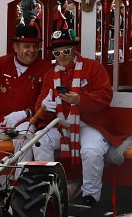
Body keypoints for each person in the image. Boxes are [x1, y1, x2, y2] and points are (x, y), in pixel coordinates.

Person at [30, 30, 124, 207]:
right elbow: (39, 108)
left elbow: (105, 96)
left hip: (91, 124)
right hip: (61, 125)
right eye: (57, 53)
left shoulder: (93, 67)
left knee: (91, 151)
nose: (62, 56)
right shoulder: (50, 75)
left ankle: (90, 196)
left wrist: (80, 100)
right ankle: (48, 192)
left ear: (74, 49)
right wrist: (45, 106)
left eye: (66, 51)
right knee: (40, 141)